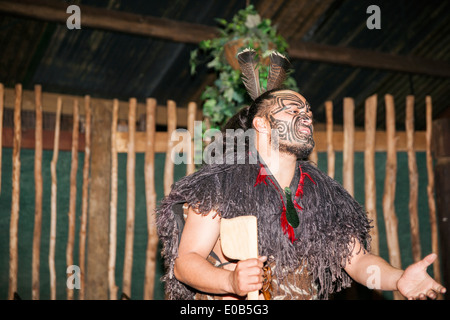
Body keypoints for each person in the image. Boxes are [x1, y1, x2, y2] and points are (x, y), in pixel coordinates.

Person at [156, 49, 446, 300]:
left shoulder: (322, 193)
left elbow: (358, 260)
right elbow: (186, 262)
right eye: (293, 109)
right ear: (261, 124)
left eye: (307, 111)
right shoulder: (219, 183)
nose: (306, 116)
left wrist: (397, 279)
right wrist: (229, 281)